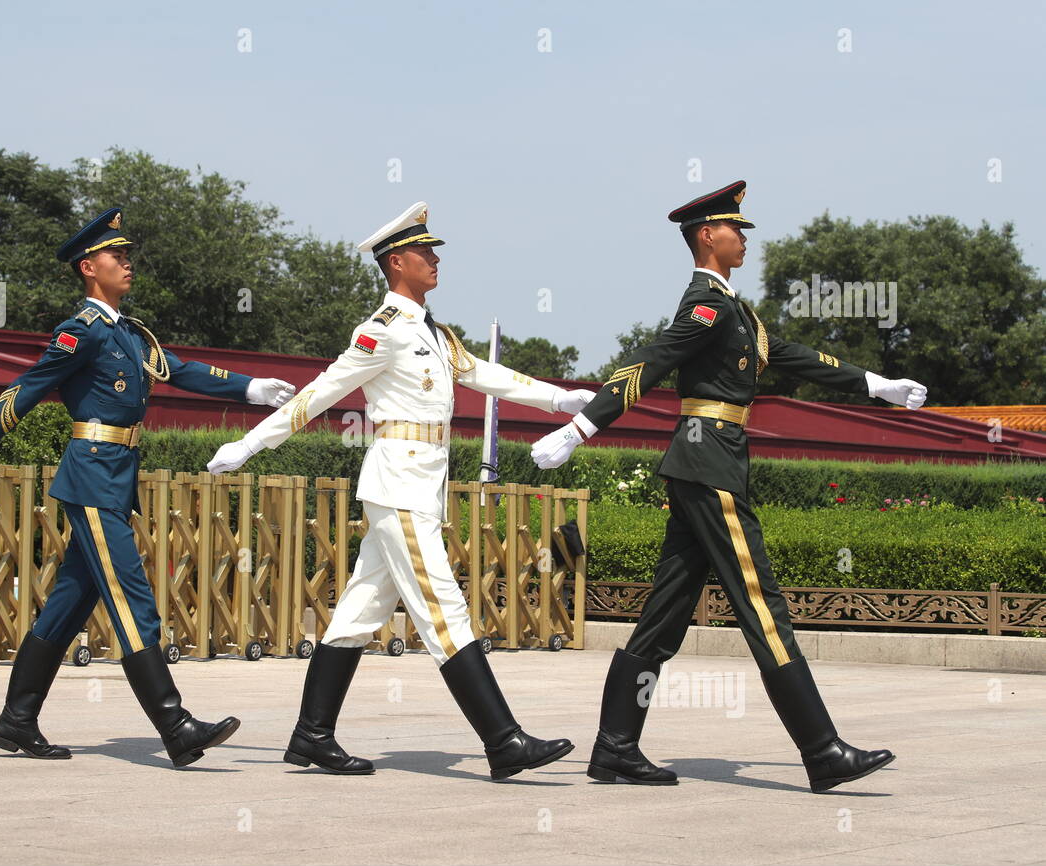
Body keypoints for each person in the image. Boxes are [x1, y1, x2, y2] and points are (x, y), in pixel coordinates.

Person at [532, 181, 928, 793]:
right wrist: (582, 428)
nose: (743, 237)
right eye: (734, 229)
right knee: (763, 606)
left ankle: (614, 749)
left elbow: (788, 356)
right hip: (709, 461)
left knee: (662, 618)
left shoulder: (734, 307)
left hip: (704, 463)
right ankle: (822, 751)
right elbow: (654, 360)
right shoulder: (706, 304)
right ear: (704, 236)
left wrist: (874, 383)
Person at [209, 201, 591, 780]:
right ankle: (504, 741)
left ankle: (312, 736)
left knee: (359, 611)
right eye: (424, 252)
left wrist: (557, 399)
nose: (435, 260)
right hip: (398, 483)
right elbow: (320, 394)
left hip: (418, 485)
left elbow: (485, 374)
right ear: (395, 263)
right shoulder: (379, 331)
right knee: (445, 608)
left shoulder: (433, 331)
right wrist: (250, 445)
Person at [0, 208, 296, 768]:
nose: (127, 264)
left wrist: (250, 387)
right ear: (88, 267)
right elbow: (29, 387)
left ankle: (15, 721)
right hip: (93, 475)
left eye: (128, 256)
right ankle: (174, 725)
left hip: (114, 475)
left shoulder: (127, 332)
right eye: (117, 257)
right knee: (132, 599)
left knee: (67, 605)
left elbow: (177, 368)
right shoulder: (79, 331)